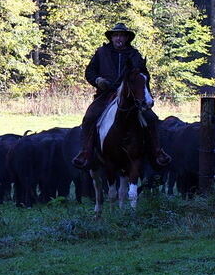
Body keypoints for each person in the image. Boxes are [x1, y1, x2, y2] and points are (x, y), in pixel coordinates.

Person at [72, 23, 171, 170]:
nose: (119, 38)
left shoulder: (134, 55)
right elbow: (90, 72)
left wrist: (146, 96)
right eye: (116, 35)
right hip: (106, 95)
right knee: (89, 118)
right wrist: (98, 81)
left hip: (131, 97)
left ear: (127, 38)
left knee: (152, 119)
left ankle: (157, 152)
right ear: (111, 38)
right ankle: (86, 152)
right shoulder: (101, 53)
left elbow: (144, 76)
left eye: (122, 36)